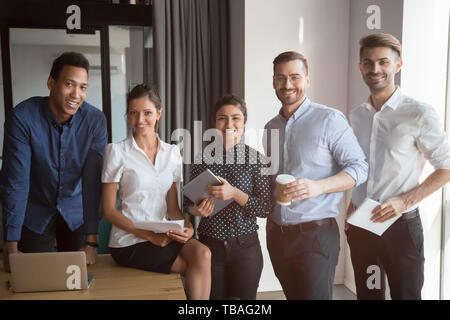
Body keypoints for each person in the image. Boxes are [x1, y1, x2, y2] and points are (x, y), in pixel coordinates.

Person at [345, 33, 450, 300]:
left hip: (402, 227)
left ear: (398, 65)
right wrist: (352, 204)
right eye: (368, 63)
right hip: (361, 225)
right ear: (360, 67)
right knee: (368, 296)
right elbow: (358, 166)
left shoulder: (419, 113)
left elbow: (446, 167)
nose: (375, 69)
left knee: (407, 296)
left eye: (383, 62)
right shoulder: (356, 116)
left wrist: (404, 201)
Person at [263, 51, 368, 300]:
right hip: (277, 236)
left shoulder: (330, 119)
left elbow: (359, 167)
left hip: (315, 237)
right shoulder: (270, 128)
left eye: (294, 77)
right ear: (273, 81)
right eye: (280, 78)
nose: (287, 84)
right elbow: (271, 179)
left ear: (307, 80)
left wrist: (319, 187)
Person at [101, 84, 211, 300]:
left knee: (203, 253)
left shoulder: (172, 154)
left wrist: (187, 227)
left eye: (147, 113)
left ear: (159, 114)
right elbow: (108, 211)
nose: (140, 119)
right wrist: (149, 235)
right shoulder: (116, 152)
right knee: (187, 265)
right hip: (129, 241)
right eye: (133, 113)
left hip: (163, 234)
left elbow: (172, 208)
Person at [1, 52, 107, 272]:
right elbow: (16, 182)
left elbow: (91, 182)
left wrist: (91, 242)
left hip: (76, 211)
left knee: (78, 282)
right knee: (37, 280)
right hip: (36, 210)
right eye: (69, 84)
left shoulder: (95, 121)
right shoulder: (22, 118)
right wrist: (10, 246)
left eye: (83, 87)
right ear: (51, 83)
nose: (76, 94)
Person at [184, 94, 271, 300]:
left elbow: (266, 208)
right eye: (222, 118)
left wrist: (235, 194)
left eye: (235, 118)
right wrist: (196, 210)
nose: (228, 124)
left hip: (246, 250)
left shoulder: (256, 160)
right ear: (215, 122)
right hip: (209, 248)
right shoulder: (202, 159)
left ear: (244, 122)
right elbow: (188, 204)